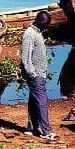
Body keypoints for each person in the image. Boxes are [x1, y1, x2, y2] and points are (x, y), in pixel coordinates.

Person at [20, 11, 57, 141]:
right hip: (35, 75)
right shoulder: (30, 34)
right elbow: (25, 58)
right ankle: (46, 131)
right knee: (42, 102)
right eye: (45, 24)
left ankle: (30, 128)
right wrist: (33, 74)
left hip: (39, 74)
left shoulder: (37, 32)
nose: (46, 26)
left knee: (34, 101)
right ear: (40, 21)